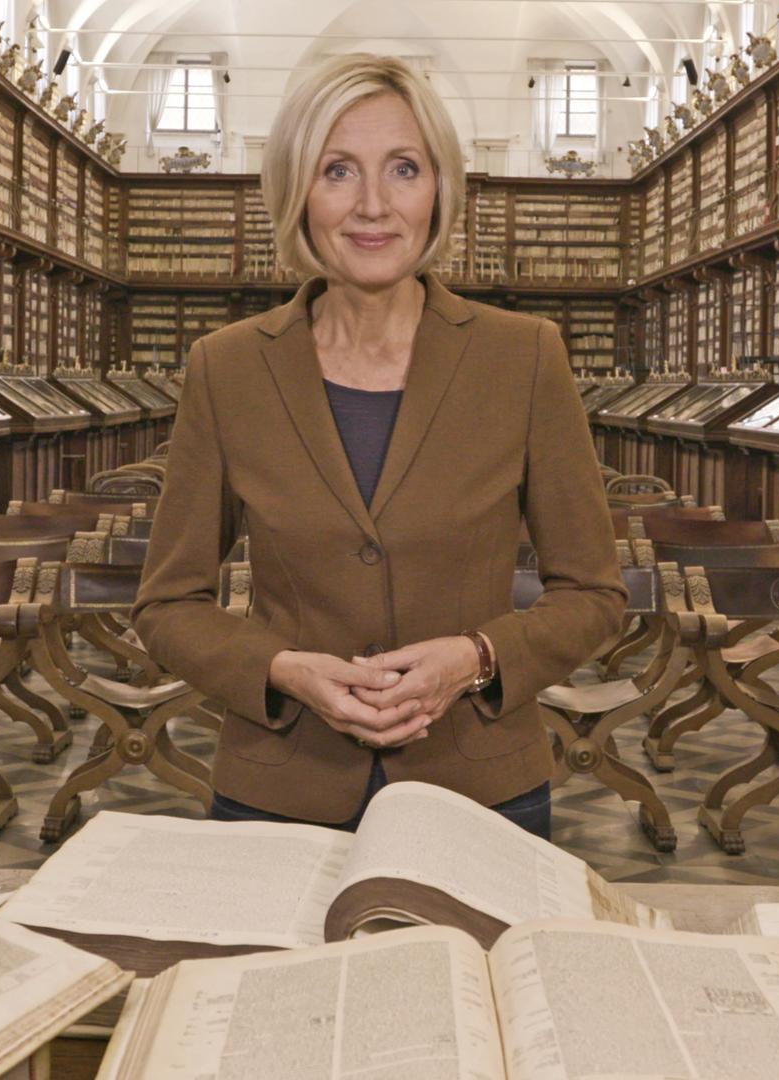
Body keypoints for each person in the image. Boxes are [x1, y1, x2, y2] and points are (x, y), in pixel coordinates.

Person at [132, 53, 626, 839]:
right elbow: (168, 604)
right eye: (337, 170)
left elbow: (595, 593)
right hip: (279, 787)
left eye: (403, 168)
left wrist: (476, 657)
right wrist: (281, 670)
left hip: (479, 789)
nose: (373, 206)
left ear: (440, 189)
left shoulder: (524, 356)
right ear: (297, 192)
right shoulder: (226, 367)